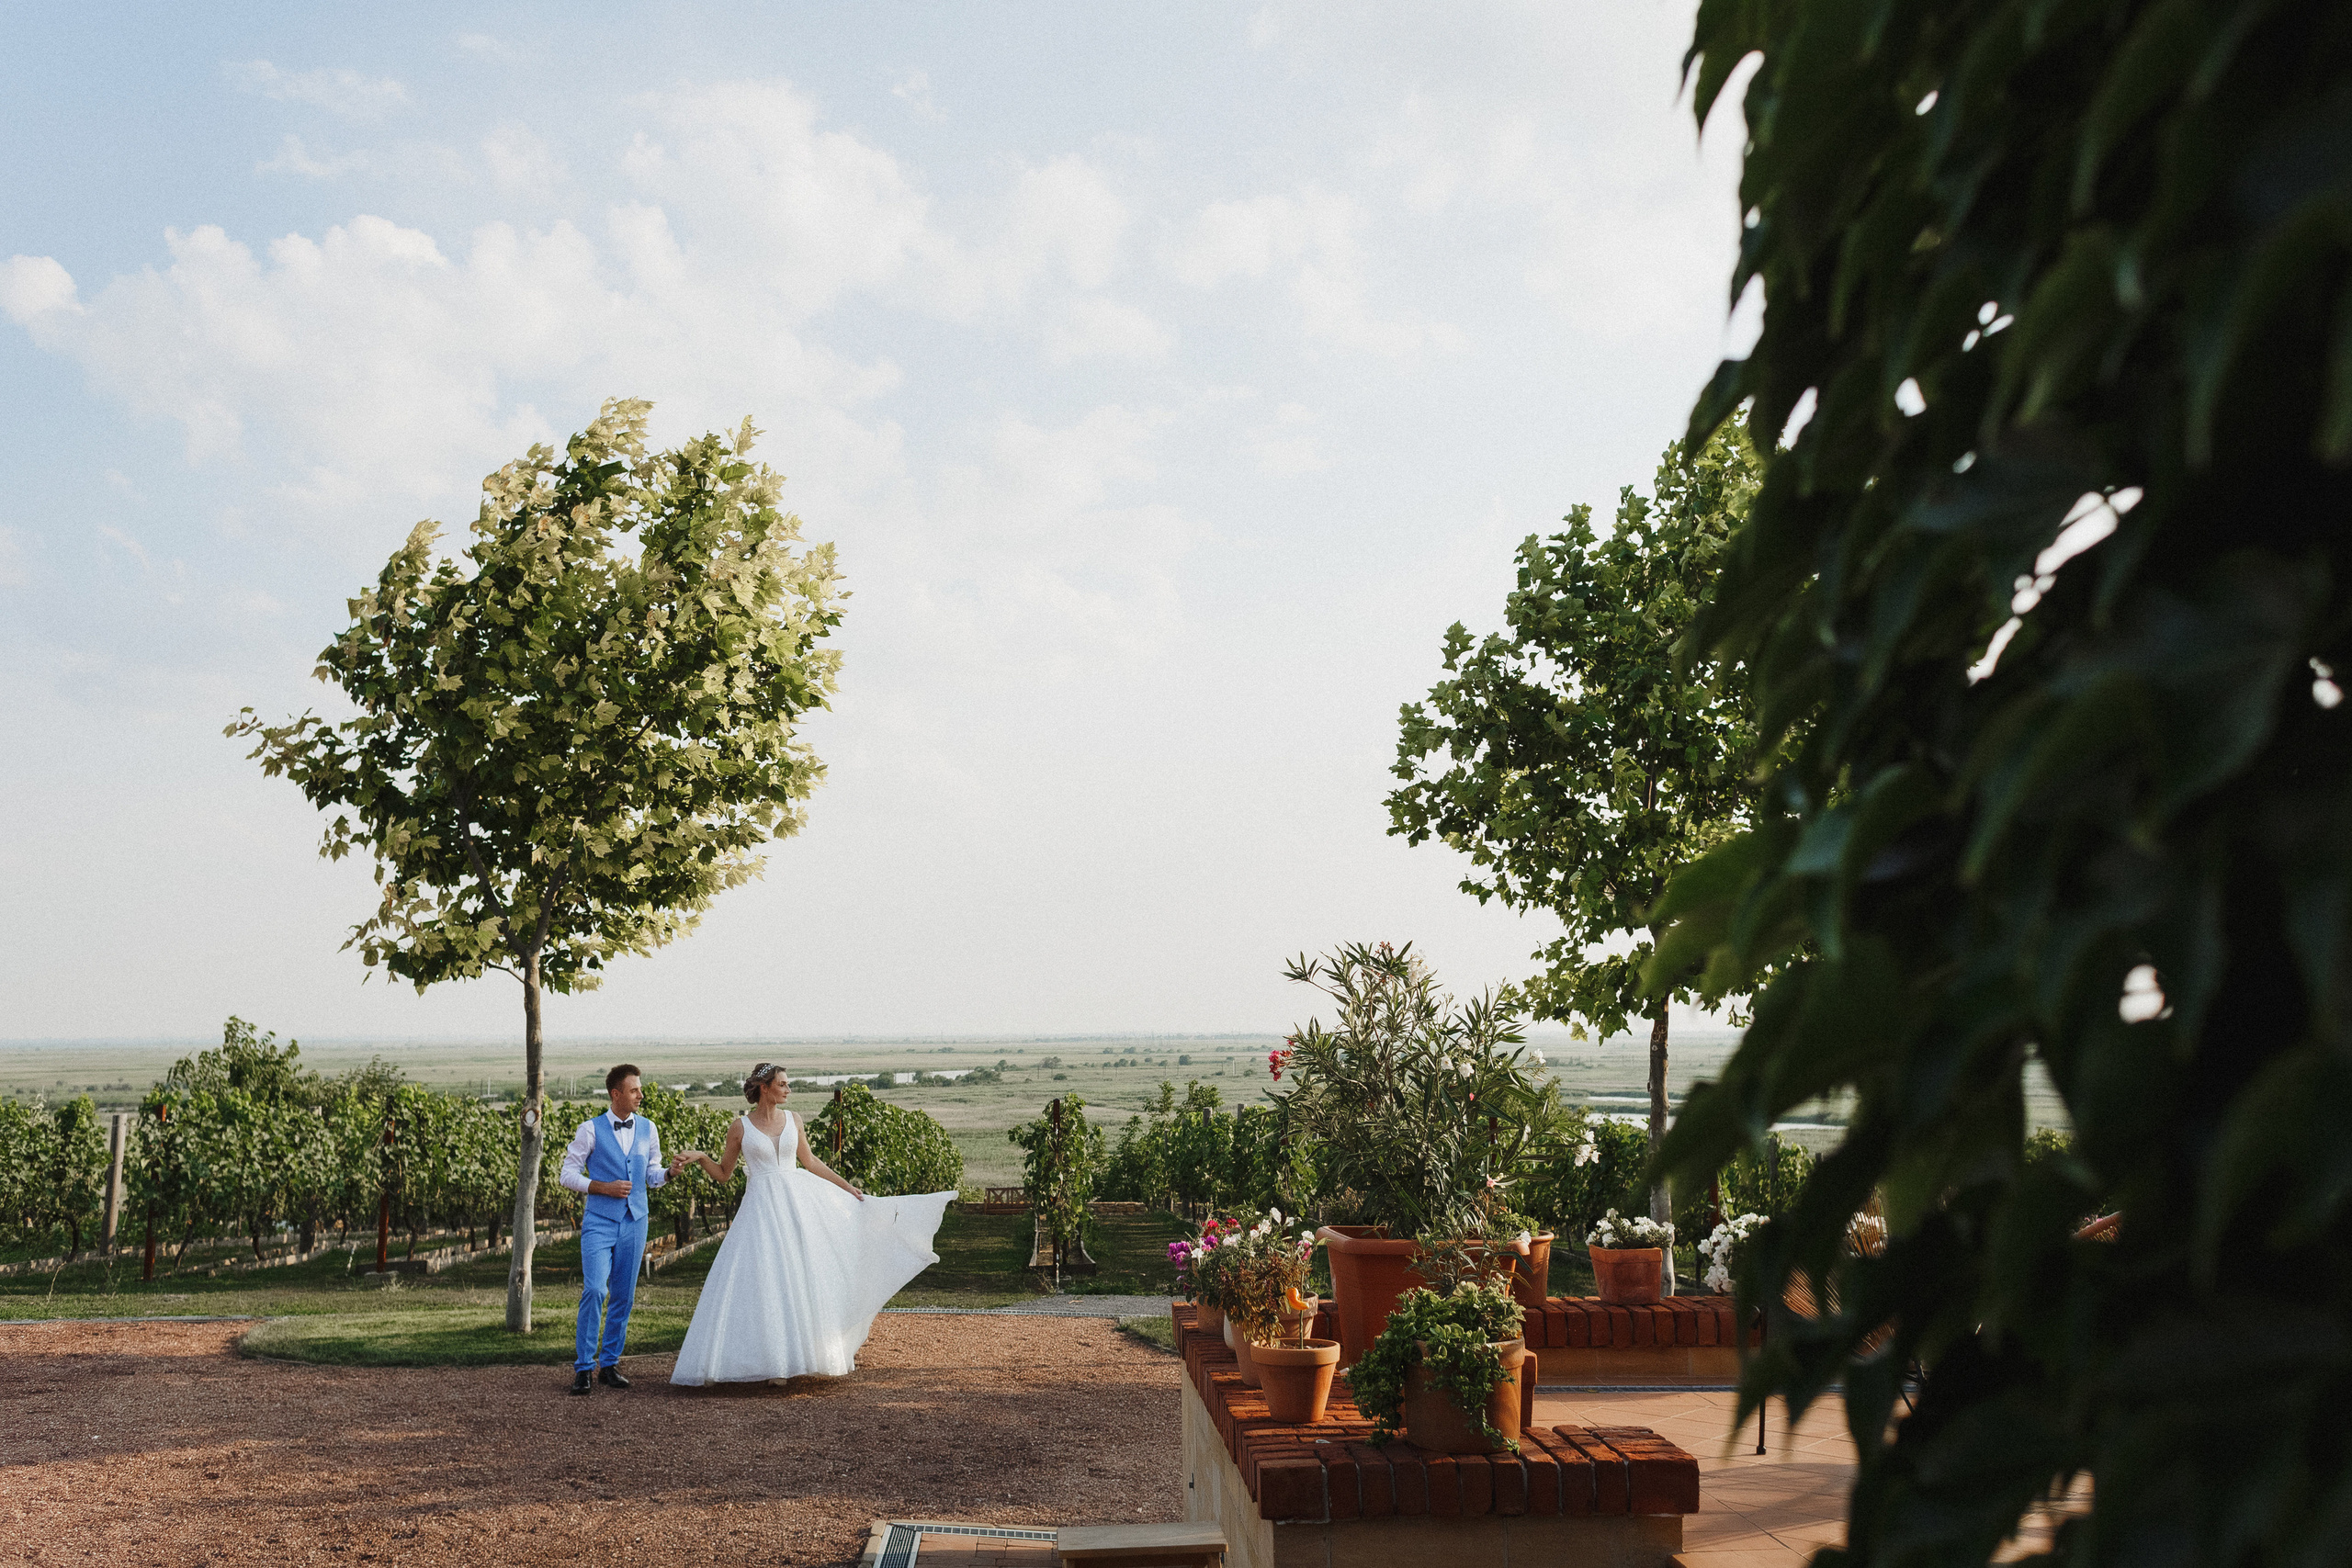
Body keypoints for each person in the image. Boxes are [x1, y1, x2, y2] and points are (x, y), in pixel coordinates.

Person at [665, 1062, 953, 1384]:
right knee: (763, 1281)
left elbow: (810, 1161)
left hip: (795, 1208)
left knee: (799, 1278)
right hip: (759, 1211)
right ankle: (767, 1362)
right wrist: (702, 1158)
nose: (789, 1090)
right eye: (783, 1084)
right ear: (765, 1087)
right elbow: (724, 1174)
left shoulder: (794, 1120)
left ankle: (795, 1359)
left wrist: (847, 1187)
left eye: (788, 1085)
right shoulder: (740, 1127)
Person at [559, 1063, 668, 1396]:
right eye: (634, 1090)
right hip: (599, 1222)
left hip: (636, 1221)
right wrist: (602, 1187)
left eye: (640, 1089)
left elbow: (651, 1175)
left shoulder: (649, 1128)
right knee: (594, 1290)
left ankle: (609, 1365)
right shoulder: (589, 1130)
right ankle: (583, 1369)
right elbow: (567, 1175)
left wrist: (670, 1173)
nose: (641, 1095)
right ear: (615, 1094)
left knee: (623, 1295)